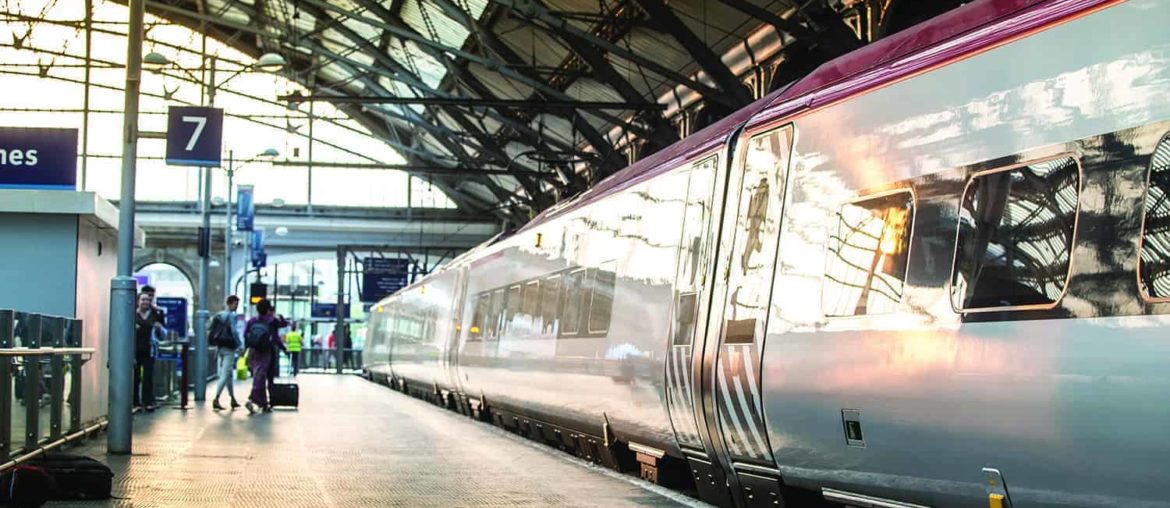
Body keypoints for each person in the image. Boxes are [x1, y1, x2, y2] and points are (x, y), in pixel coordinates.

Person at [244, 299, 287, 414]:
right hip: (266, 352)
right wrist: (279, 316)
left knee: (259, 376)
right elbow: (284, 325)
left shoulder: (252, 321)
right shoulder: (272, 321)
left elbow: (245, 334)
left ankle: (264, 404)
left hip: (253, 352)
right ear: (268, 310)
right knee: (261, 378)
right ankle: (252, 399)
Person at [210, 295, 243, 411]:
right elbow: (234, 331)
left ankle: (233, 399)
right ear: (229, 304)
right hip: (229, 348)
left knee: (229, 374)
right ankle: (216, 398)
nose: (236, 307)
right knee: (225, 374)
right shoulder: (232, 316)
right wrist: (240, 344)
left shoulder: (219, 315)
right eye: (235, 304)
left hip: (220, 347)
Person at [133, 291, 163, 411]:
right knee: (135, 376)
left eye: (148, 300)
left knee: (148, 376)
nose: (146, 302)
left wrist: (159, 328)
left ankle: (148, 401)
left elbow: (162, 331)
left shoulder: (156, 314)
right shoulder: (133, 314)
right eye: (143, 299)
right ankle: (135, 401)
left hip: (149, 349)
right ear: (138, 301)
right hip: (135, 349)